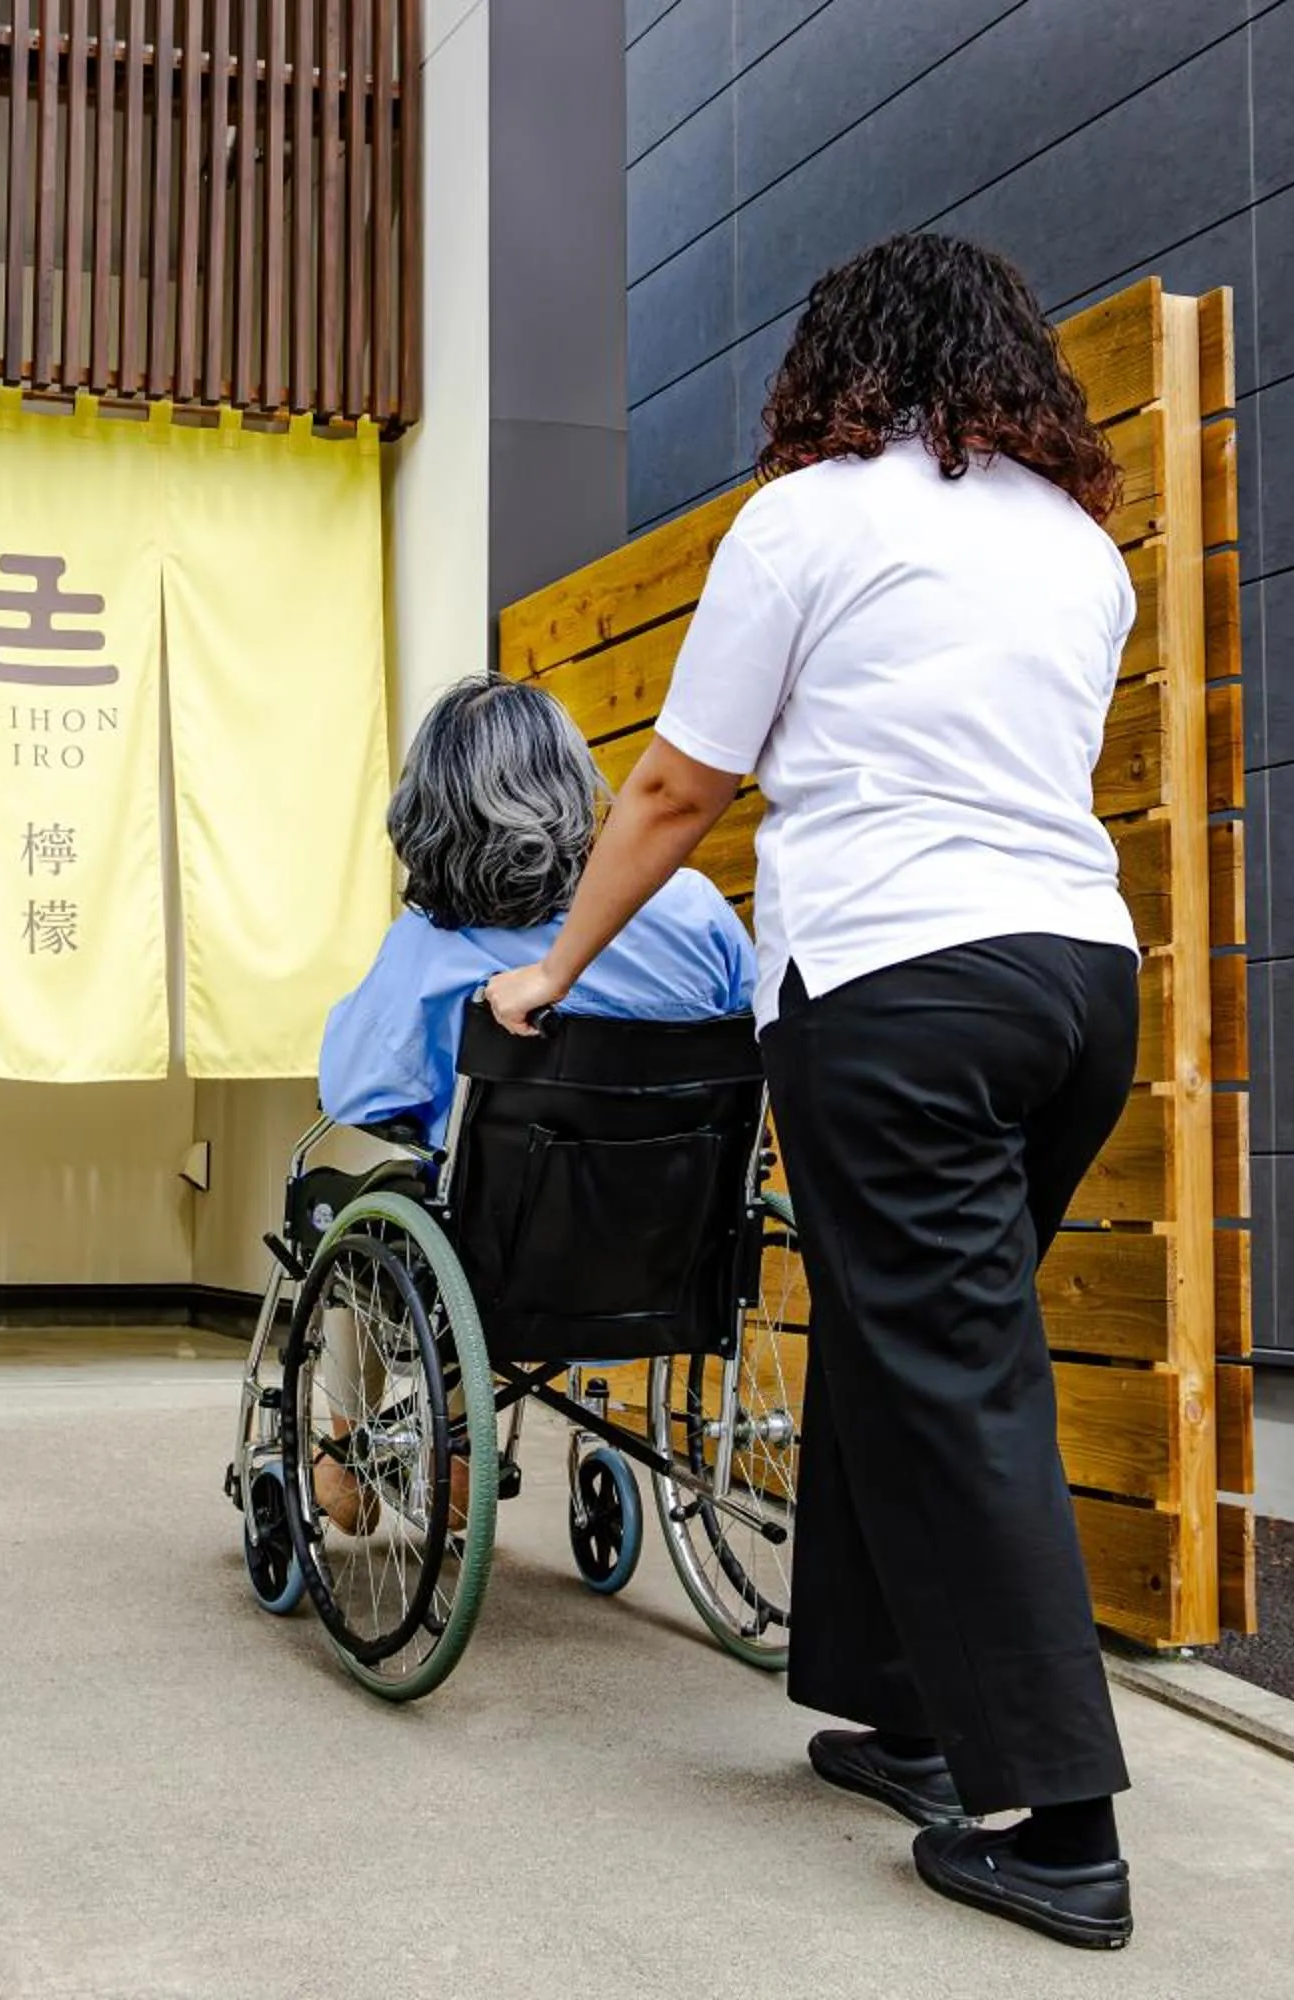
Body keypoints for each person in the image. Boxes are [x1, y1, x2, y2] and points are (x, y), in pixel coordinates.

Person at [482, 233, 1146, 1951]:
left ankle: (1065, 1830)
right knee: (894, 1336)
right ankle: (902, 1713)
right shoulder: (1082, 550)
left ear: (842, 357)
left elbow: (676, 788)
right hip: (1081, 989)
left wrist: (552, 971)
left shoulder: (809, 519)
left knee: (953, 1371)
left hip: (902, 989)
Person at [308, 675, 754, 1533]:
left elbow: (359, 1092)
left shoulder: (428, 947)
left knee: (366, 1219)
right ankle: (454, 1443)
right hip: (671, 1257)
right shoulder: (694, 909)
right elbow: (751, 1032)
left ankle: (352, 1445)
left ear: (431, 809)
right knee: (460, 1222)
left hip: (503, 1260)